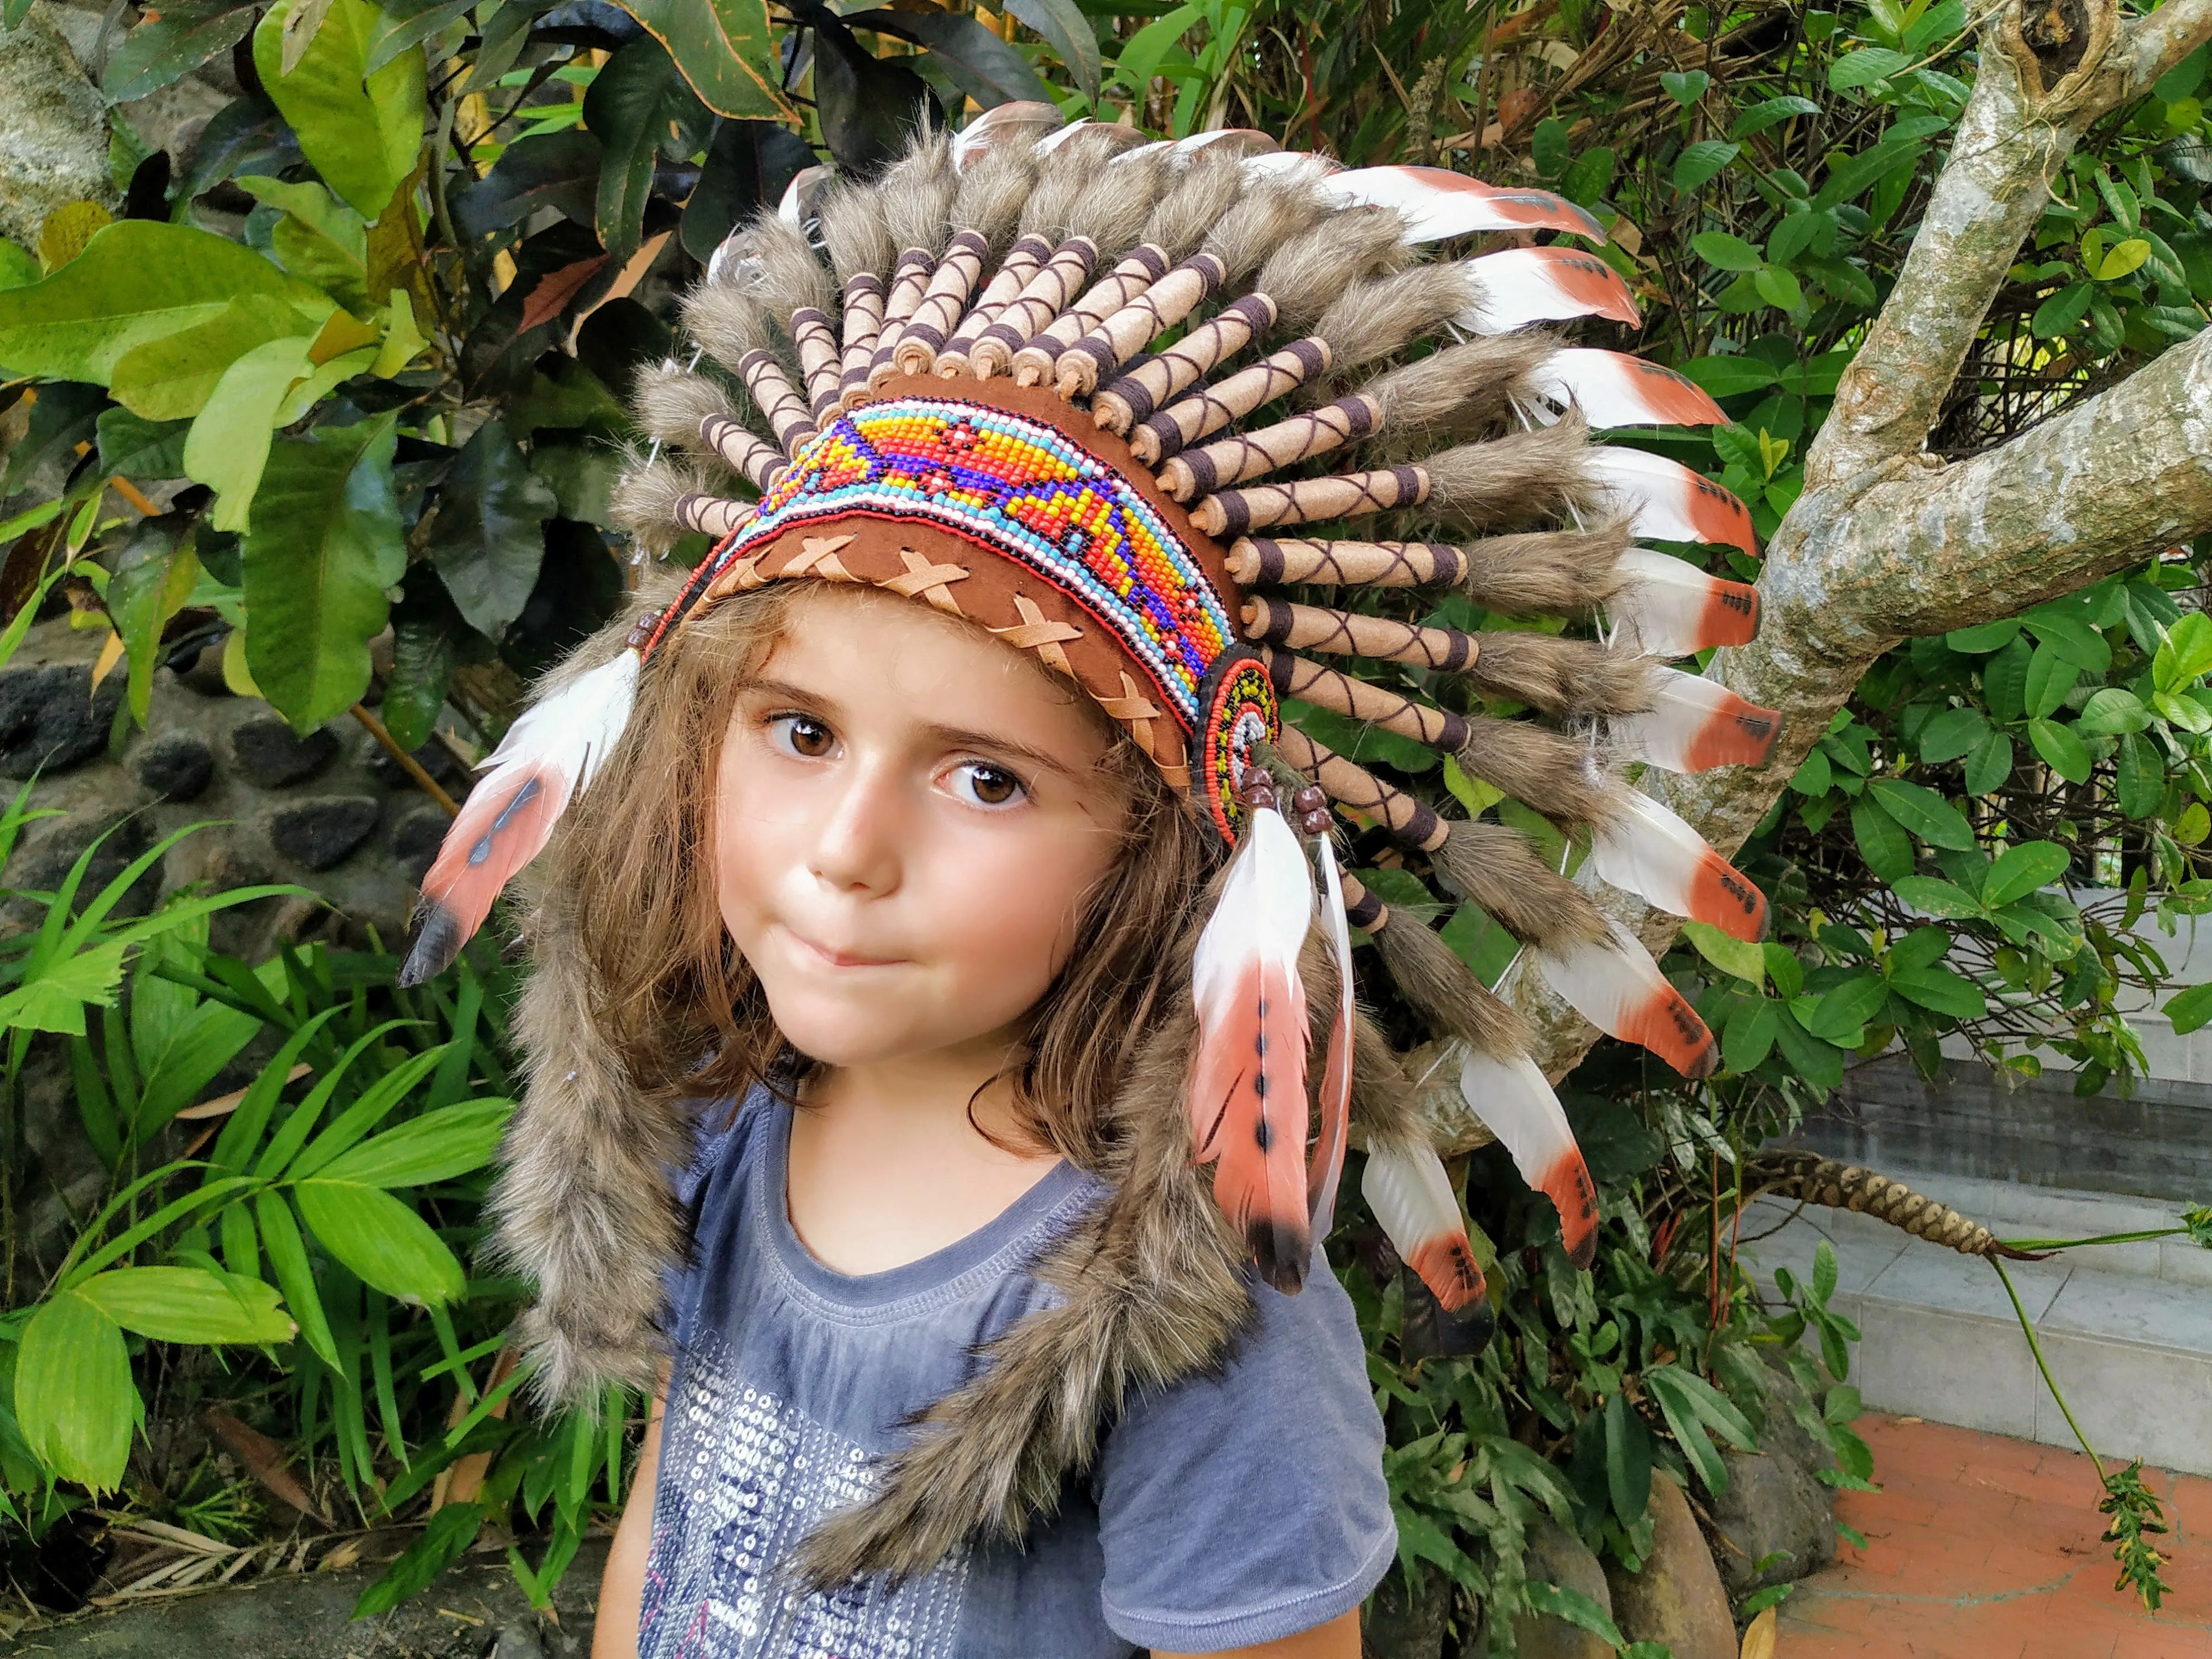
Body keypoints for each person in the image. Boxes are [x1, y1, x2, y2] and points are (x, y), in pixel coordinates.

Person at [397, 106, 1776, 1658]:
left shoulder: (1203, 1317)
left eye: (986, 776)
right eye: (796, 730)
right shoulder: (731, 1120)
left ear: (1153, 854)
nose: (846, 849)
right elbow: (669, 1540)